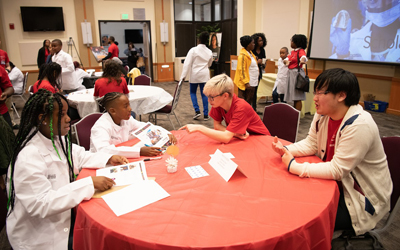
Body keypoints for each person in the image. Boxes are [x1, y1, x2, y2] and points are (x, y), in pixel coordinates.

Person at [272, 68, 392, 235]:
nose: (314, 98)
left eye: (321, 93)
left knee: (301, 219)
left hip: (360, 199)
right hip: (336, 184)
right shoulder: (323, 114)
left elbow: (337, 170)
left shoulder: (359, 125)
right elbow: (311, 143)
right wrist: (285, 149)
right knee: (287, 197)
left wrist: (294, 165)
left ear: (341, 96)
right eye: (315, 92)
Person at [5, 89, 129, 250]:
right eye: (62, 114)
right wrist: (88, 184)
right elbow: (41, 204)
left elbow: (80, 156)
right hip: (41, 237)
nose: (68, 118)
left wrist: (108, 158)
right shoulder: (28, 157)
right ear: (42, 118)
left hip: (64, 216)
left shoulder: (57, 139)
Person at [180, 74, 270, 143]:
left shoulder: (241, 107)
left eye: (211, 97)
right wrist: (235, 134)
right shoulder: (218, 103)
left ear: (225, 96)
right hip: (245, 139)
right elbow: (217, 126)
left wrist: (200, 128)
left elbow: (226, 138)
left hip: (262, 141)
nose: (208, 100)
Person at [90, 92, 177, 158]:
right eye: (125, 106)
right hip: (102, 162)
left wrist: (165, 133)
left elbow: (145, 127)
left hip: (122, 157)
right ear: (113, 111)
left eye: (129, 105)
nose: (130, 109)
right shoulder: (101, 127)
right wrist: (139, 151)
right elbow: (103, 150)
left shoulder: (126, 119)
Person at [181, 31, 213, 120]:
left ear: (198, 40)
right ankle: (206, 115)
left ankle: (197, 111)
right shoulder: (209, 51)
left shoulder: (193, 50)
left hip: (195, 75)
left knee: (192, 93)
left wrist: (183, 76)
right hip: (205, 75)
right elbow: (209, 64)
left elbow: (187, 64)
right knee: (204, 94)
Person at [284, 34, 308, 111]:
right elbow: (287, 59)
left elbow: (303, 57)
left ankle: (297, 116)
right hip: (291, 73)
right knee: (293, 96)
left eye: (292, 41)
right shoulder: (292, 52)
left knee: (297, 96)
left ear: (296, 42)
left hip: (296, 74)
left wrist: (302, 60)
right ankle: (294, 113)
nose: (291, 42)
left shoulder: (300, 51)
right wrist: (286, 61)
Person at [234, 35, 258, 106]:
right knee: (243, 103)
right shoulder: (243, 56)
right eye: (252, 43)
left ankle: (247, 115)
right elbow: (242, 70)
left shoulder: (251, 54)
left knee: (249, 102)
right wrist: (246, 82)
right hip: (247, 83)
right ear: (248, 45)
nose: (254, 44)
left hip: (253, 82)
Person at [251, 33, 267, 113]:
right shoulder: (251, 50)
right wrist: (257, 61)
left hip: (259, 72)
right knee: (251, 91)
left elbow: (264, 61)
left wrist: (262, 63)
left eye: (262, 40)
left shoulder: (262, 50)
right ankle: (250, 108)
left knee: (256, 91)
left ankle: (254, 108)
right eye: (259, 40)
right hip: (252, 73)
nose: (261, 42)